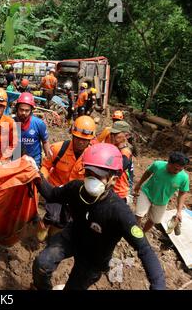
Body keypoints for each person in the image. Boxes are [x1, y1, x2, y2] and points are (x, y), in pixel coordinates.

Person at [33, 143, 166, 290]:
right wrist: (36, 176)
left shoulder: (119, 212)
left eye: (98, 176)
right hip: (71, 237)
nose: (91, 180)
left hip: (94, 258)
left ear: (113, 180)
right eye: (89, 174)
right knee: (41, 264)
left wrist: (158, 285)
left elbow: (145, 249)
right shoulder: (76, 189)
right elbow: (52, 194)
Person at [38, 116, 97, 241]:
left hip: (74, 196)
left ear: (90, 140)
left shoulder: (92, 158)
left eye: (84, 139)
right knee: (52, 215)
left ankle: (52, 237)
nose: (80, 142)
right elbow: (46, 167)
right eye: (78, 138)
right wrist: (43, 183)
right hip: (56, 190)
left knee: (63, 221)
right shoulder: (58, 149)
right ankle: (43, 227)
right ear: (72, 135)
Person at [134, 151, 190, 233]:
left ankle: (142, 233)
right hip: (147, 193)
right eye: (175, 168)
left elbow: (182, 193)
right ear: (169, 163)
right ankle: (133, 232)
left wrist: (179, 211)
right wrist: (139, 184)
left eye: (180, 169)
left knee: (154, 220)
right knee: (139, 214)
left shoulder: (184, 177)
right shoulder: (158, 165)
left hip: (162, 201)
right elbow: (148, 173)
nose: (177, 171)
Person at [14, 92, 52, 167]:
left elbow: (45, 141)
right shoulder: (11, 123)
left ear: (31, 110)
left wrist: (48, 159)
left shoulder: (39, 124)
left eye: (27, 110)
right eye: (21, 110)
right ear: (17, 108)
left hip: (34, 161)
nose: (23, 113)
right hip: (16, 160)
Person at [102, 121, 134, 202]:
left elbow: (115, 171)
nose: (112, 136)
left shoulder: (125, 152)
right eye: (112, 133)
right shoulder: (115, 148)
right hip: (110, 190)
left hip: (118, 193)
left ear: (126, 135)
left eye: (116, 134)